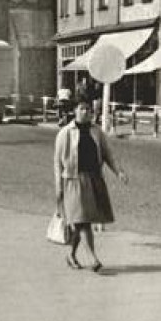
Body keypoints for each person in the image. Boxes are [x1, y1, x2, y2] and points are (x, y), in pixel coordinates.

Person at [54, 96, 128, 271]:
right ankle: (93, 259)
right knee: (83, 221)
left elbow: (108, 155)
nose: (86, 112)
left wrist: (119, 172)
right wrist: (58, 187)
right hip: (72, 180)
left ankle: (71, 255)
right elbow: (57, 163)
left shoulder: (96, 131)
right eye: (82, 108)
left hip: (93, 179)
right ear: (74, 111)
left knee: (82, 221)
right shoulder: (65, 133)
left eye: (88, 109)